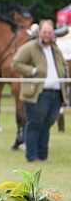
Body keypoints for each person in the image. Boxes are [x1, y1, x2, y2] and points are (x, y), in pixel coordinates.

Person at [12, 18, 70, 162]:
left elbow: (63, 65)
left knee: (46, 125)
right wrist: (32, 71)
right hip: (37, 94)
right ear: (39, 32)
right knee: (34, 124)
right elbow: (15, 64)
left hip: (56, 94)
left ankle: (43, 156)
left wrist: (64, 76)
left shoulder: (55, 49)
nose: (47, 35)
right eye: (44, 32)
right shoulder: (30, 47)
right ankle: (32, 156)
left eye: (49, 32)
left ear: (53, 33)